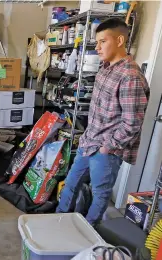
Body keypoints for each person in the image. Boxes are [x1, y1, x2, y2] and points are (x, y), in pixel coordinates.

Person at [56, 18, 150, 225]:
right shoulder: (106, 68)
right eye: (96, 42)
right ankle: (58, 223)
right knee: (70, 183)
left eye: (102, 41)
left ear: (119, 40)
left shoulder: (130, 76)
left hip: (105, 150)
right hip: (89, 141)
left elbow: (132, 123)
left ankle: (88, 236)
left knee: (100, 195)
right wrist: (86, 136)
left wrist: (108, 147)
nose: (97, 47)